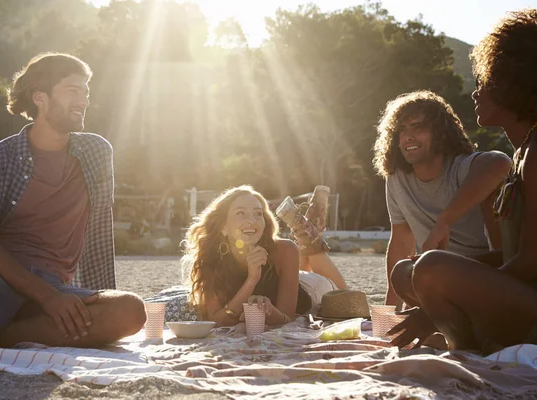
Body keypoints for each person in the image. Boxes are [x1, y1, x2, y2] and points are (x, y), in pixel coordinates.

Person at [0, 53, 146, 348]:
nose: (84, 101)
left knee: (129, 312)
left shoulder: (97, 152)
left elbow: (98, 231)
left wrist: (87, 297)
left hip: (54, 285)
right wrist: (49, 298)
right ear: (40, 98)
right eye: (73, 91)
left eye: (85, 92)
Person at [389, 9, 537, 353]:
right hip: (522, 293)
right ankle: (472, 340)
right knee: (406, 272)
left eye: (486, 81)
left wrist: (438, 297)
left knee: (430, 268)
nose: (475, 92)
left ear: (515, 81)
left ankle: (467, 349)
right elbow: (511, 255)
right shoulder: (523, 153)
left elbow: (532, 262)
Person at [372, 90, 511, 310]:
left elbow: (499, 162)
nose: (408, 136)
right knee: (403, 272)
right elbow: (400, 238)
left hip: (482, 272)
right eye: (401, 129)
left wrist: (443, 223)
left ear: (439, 132)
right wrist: (391, 307)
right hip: (433, 275)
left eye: (417, 127)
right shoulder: (396, 177)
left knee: (426, 268)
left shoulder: (460, 167)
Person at [183, 185, 344, 326]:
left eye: (258, 213)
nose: (252, 220)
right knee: (295, 268)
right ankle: (307, 228)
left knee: (345, 296)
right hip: (289, 277)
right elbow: (216, 321)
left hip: (310, 288)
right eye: (240, 213)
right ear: (223, 227)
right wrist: (251, 281)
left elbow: (288, 318)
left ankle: (310, 237)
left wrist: (269, 311)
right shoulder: (211, 258)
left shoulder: (285, 250)